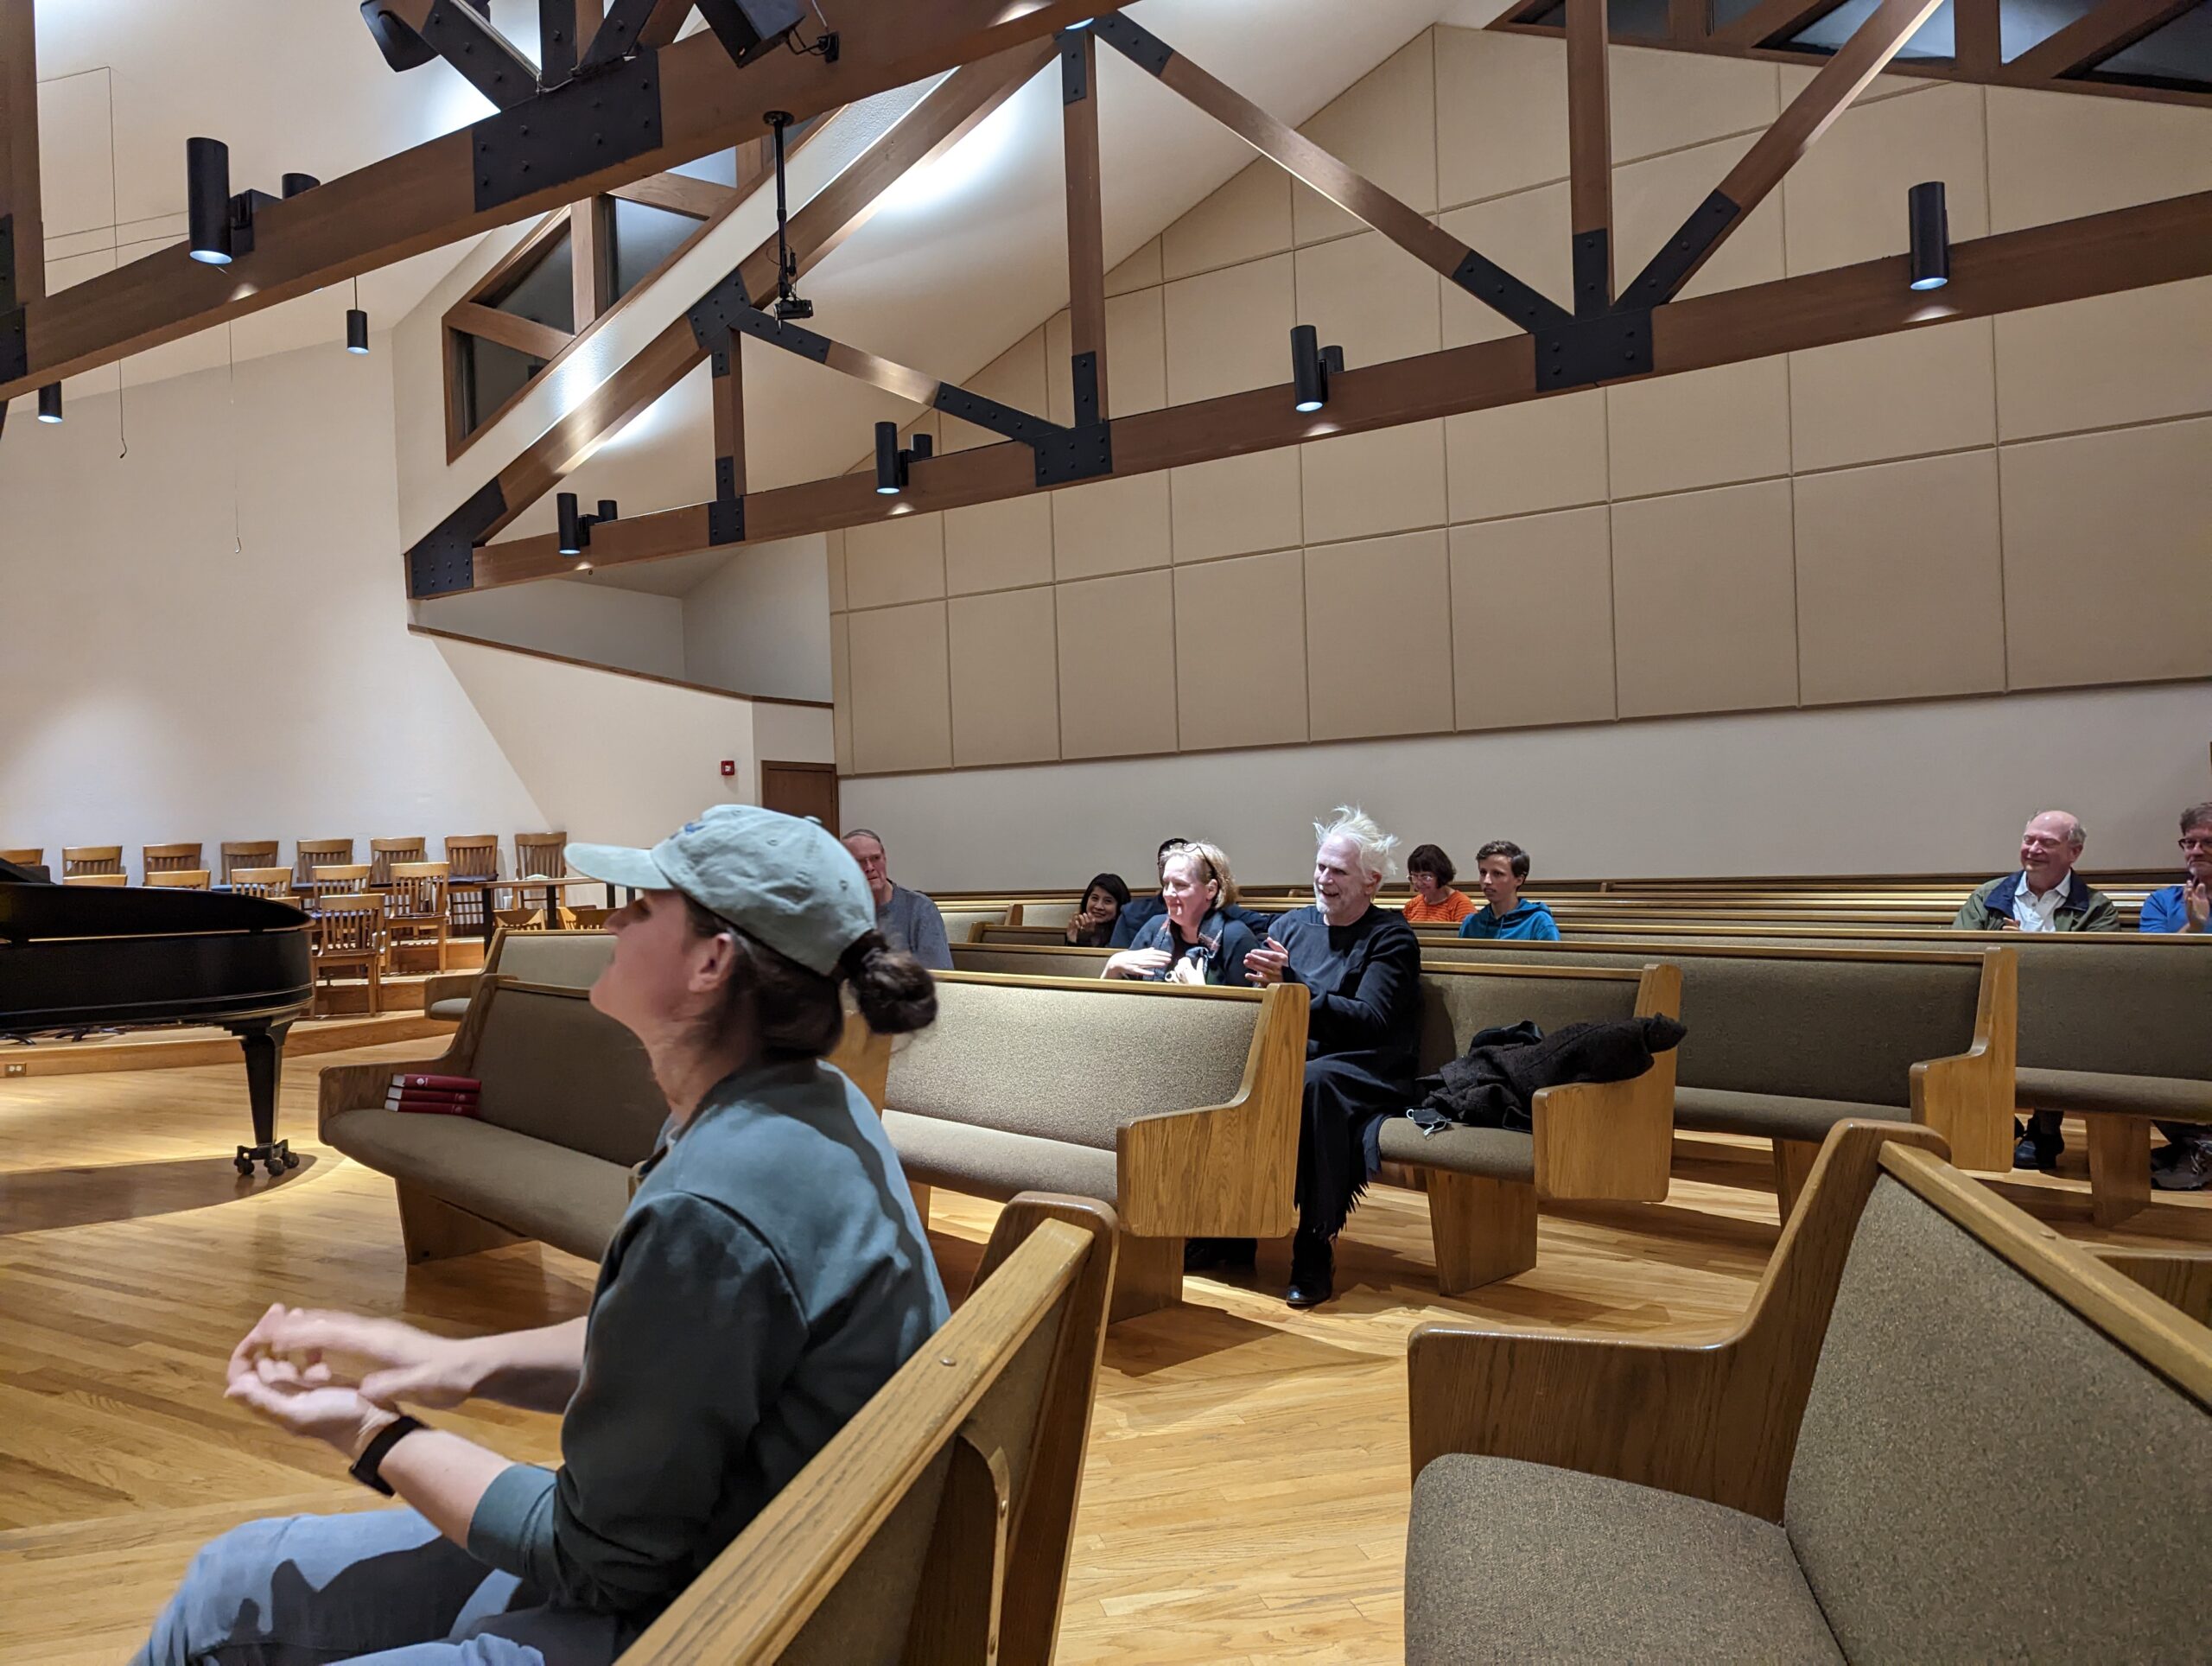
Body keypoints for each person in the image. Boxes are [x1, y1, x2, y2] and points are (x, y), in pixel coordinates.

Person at [137, 806, 947, 1664]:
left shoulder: (718, 1202)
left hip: (719, 1621)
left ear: (712, 961)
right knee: (232, 1579)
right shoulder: (808, 1102)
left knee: (230, 1614)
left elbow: (591, 1558)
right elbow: (665, 1349)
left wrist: (368, 1430)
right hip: (712, 1554)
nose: (611, 918)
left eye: (642, 905)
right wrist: (447, 1360)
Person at [1188, 807, 1421, 1310]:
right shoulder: (1291, 927)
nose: (1323, 879)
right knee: (1236, 1070)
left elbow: (1373, 1022)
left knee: (1311, 1082)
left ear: (1371, 882)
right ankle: (1230, 1229)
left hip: (1365, 1069)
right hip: (1300, 1060)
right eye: (1320, 867)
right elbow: (1264, 999)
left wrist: (1293, 986)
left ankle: (1314, 1244)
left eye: (1337, 871)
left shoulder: (1392, 937)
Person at [1951, 811, 2120, 1172]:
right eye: (2029, 840)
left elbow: (2100, 970)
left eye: (2047, 842)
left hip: (2062, 1007)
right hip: (1990, 1000)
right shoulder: (1989, 896)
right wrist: (1995, 946)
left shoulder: (2096, 907)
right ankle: (1989, 1115)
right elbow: (1956, 949)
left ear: (2074, 852)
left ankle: (2044, 1131)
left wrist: (2031, 949)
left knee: (2057, 1022)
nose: (2034, 849)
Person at [2141, 802, 2212, 1192]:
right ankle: (2197, 1144)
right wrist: (2196, 927)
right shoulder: (2162, 900)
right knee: (2125, 1049)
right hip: (2172, 1012)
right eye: (2189, 842)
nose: (2195, 851)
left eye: (2207, 843)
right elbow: (2151, 961)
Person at [1103, 842, 1255, 988]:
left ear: (1210, 890)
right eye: (1166, 885)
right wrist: (1112, 967)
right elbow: (1116, 1005)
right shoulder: (1155, 927)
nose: (1168, 894)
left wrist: (1200, 994)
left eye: (1180, 885)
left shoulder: (1236, 938)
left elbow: (1248, 1012)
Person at [842, 826, 952, 970]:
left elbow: (940, 975)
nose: (869, 867)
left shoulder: (920, 908)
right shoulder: (840, 912)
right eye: (860, 862)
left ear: (885, 858)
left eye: (875, 858)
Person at [1457, 841, 1560, 941]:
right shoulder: (1471, 923)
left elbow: (1553, 958)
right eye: (1483, 873)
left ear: (1519, 880)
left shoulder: (1538, 922)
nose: (1487, 881)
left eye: (1497, 874)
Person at [1108, 837, 1192, 949]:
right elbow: (1118, 957)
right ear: (1159, 868)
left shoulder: (1212, 912)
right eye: (1165, 864)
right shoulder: (1131, 913)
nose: (1173, 869)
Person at [1402, 843, 1475, 925]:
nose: (1419, 883)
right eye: (1414, 876)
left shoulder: (1460, 905)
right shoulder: (1411, 906)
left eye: (1425, 877)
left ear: (1440, 875)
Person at [1064, 871, 1132, 947]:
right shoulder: (1076, 928)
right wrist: (1072, 941)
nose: (1098, 906)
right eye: (1095, 898)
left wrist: (1085, 940)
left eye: (1108, 901)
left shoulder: (1126, 935)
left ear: (1120, 906)